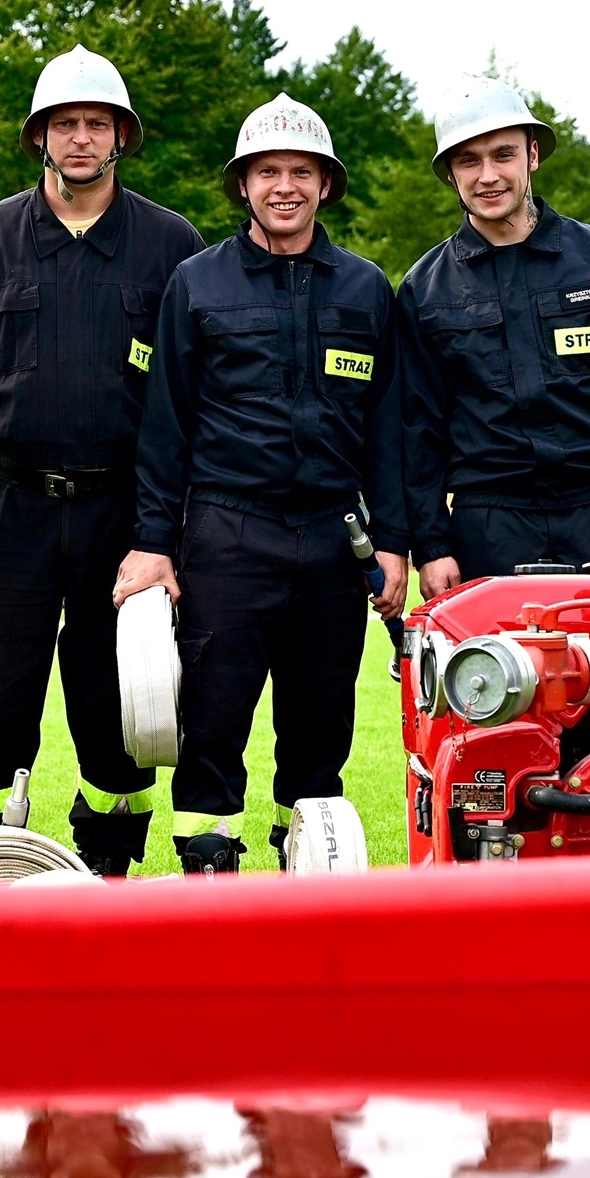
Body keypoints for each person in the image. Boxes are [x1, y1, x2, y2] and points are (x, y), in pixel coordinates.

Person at [111, 95, 408, 874]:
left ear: (325, 184)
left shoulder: (365, 288)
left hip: (332, 541)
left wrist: (397, 544)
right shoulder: (195, 283)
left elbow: (387, 429)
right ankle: (210, 886)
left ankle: (303, 882)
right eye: (267, 171)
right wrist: (153, 543)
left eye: (301, 171)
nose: (285, 186)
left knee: (319, 728)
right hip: (225, 533)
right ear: (242, 184)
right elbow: (163, 428)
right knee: (212, 725)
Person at [0, 48, 204, 879]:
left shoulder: (170, 246)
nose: (80, 138)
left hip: (123, 513)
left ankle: (109, 878)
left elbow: (190, 404)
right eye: (63, 124)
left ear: (121, 135)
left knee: (120, 707)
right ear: (39, 137)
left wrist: (165, 533)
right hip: (4, 506)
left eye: (96, 123)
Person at [396, 78, 590, 590]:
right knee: (496, 671)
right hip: (488, 526)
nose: (488, 176)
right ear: (450, 173)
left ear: (533, 155)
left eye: (503, 155)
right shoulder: (424, 289)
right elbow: (416, 430)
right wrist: (431, 544)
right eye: (469, 161)